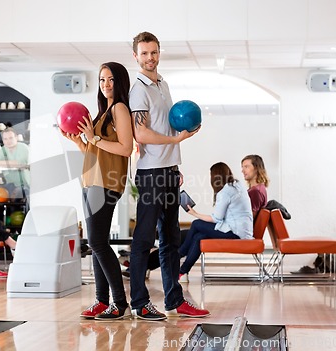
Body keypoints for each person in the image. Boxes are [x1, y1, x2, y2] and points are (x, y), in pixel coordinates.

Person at [129, 31, 209, 320]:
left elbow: (166, 125)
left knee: (171, 239)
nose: (150, 58)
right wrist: (176, 141)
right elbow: (142, 133)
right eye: (144, 53)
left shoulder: (163, 84)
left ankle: (174, 301)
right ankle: (139, 302)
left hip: (168, 172)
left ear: (159, 53)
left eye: (154, 52)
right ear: (135, 56)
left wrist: (175, 162)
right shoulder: (139, 89)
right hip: (150, 174)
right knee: (144, 239)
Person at [62, 62, 133, 320]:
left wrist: (93, 139)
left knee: (97, 242)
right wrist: (82, 143)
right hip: (92, 181)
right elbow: (97, 153)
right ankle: (102, 301)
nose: (106, 84)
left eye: (111, 79)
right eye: (102, 79)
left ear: (120, 81)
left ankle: (118, 302)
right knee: (96, 243)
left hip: (107, 183)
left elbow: (126, 149)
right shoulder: (103, 112)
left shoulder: (120, 109)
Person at [178, 162, 253, 280]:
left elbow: (216, 219)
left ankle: (180, 253)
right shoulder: (237, 185)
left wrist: (194, 213)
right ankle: (182, 272)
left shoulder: (225, 192)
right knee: (198, 237)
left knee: (196, 224)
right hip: (241, 231)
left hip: (235, 233)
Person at [0, 127, 30, 201]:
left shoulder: (23, 148)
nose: (8, 141)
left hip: (24, 186)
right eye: (5, 139)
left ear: (16, 137)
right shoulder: (4, 149)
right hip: (10, 185)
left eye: (10, 138)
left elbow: (17, 163)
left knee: (17, 195)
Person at [241, 154, 268, 219]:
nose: (242, 171)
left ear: (256, 168)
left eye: (246, 167)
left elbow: (248, 219)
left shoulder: (255, 191)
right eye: (242, 167)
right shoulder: (260, 188)